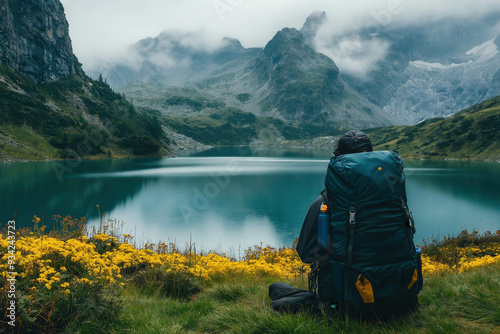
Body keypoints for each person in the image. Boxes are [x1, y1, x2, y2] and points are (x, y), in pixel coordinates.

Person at [296, 130, 373, 304]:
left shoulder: (327, 200)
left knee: (277, 290)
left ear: (337, 158)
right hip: (397, 290)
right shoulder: (391, 193)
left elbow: (306, 253)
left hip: (345, 299)